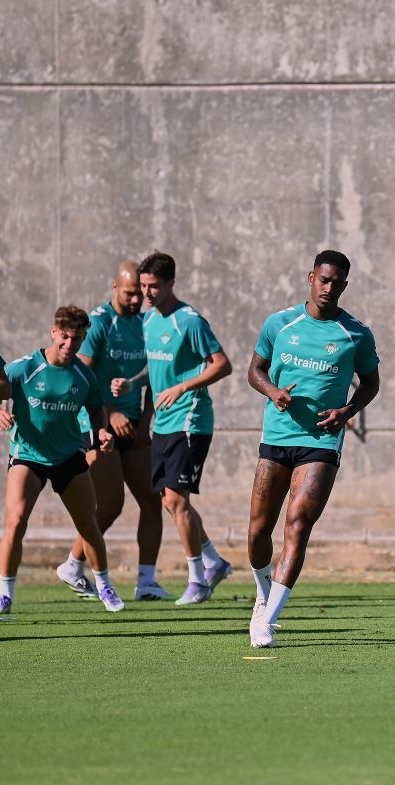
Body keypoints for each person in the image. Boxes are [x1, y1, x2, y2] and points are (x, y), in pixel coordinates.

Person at [245, 250, 380, 647]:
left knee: (298, 524)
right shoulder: (280, 323)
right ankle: (261, 590)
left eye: (336, 282)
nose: (328, 288)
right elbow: (255, 369)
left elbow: (371, 382)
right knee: (257, 531)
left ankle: (267, 620)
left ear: (344, 285)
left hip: (321, 441)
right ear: (310, 277)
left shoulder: (355, 333)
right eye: (323, 280)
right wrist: (273, 392)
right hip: (277, 438)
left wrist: (348, 410)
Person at [0, 306, 124, 614]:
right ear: (53, 332)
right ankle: (4, 594)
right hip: (27, 455)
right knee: (15, 520)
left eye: (76, 339)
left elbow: (95, 408)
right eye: (64, 337)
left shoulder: (83, 374)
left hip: (68, 456)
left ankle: (104, 586)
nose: (69, 345)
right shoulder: (25, 367)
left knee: (88, 524)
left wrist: (101, 431)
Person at [57, 261, 167, 601]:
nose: (137, 299)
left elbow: (155, 374)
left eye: (141, 293)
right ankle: (73, 564)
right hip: (100, 425)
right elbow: (82, 375)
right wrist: (111, 413)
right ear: (115, 287)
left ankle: (146, 581)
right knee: (110, 503)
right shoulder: (101, 322)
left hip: (134, 427)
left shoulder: (148, 323)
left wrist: (146, 418)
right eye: (131, 293)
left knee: (152, 501)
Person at [138, 252, 234, 605]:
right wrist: (131, 382)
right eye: (144, 286)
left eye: (154, 286)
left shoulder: (189, 322)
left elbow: (223, 365)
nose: (147, 293)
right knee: (169, 501)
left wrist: (183, 387)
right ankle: (213, 562)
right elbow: (155, 369)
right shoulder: (149, 322)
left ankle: (197, 581)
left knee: (177, 500)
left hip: (190, 419)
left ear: (170, 284)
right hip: (162, 422)